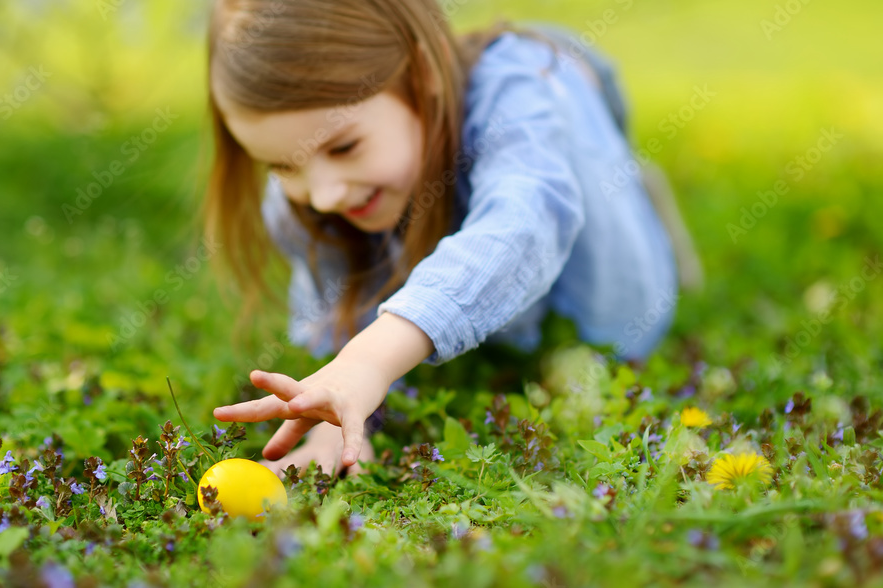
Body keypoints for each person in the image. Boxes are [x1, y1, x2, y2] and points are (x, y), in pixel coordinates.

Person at [204, 0, 699, 477]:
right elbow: (344, 307)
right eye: (283, 165)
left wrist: (370, 360)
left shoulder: (519, 89)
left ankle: (627, 187)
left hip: (559, 108)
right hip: (444, 158)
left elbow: (523, 223)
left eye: (345, 146)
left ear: (421, 78)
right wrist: (340, 411)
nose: (325, 194)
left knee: (600, 289)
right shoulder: (313, 190)